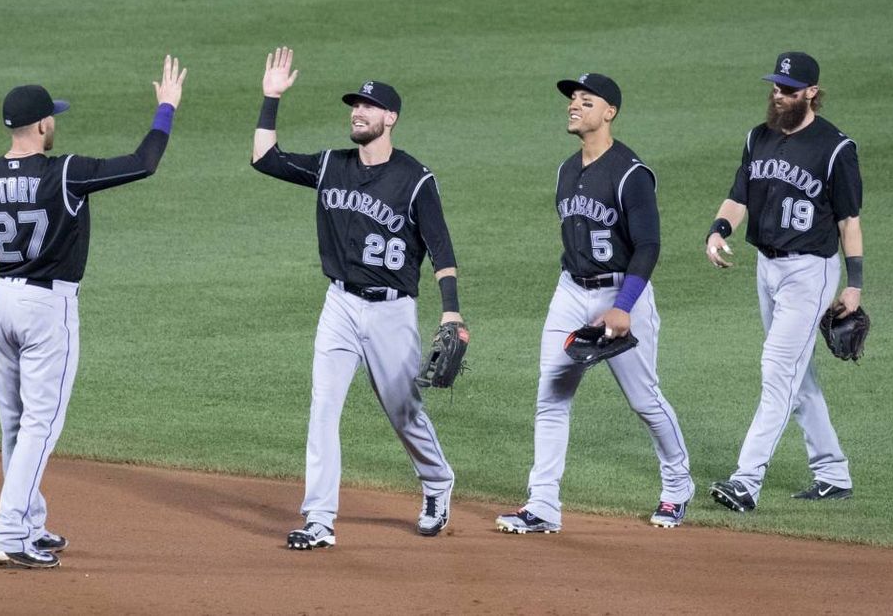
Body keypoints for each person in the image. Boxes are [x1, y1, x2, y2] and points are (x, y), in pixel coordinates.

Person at [0, 56, 187, 568]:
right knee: (41, 425)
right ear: (41, 125)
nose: (55, 122)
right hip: (45, 308)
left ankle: (29, 521)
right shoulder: (67, 173)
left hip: (0, 304)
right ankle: (10, 534)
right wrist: (165, 108)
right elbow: (143, 162)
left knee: (14, 422)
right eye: (52, 116)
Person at [250, 47, 462, 550]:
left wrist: (451, 308)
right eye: (354, 105)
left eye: (368, 106)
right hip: (340, 305)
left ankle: (437, 481)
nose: (358, 112)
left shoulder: (415, 178)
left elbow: (442, 250)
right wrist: (270, 98)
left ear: (391, 118)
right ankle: (319, 519)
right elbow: (264, 158)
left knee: (402, 409)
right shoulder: (331, 165)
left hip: (392, 309)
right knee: (323, 407)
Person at [496, 73, 695, 533]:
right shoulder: (567, 169)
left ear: (610, 113)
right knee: (552, 395)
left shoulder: (631, 173)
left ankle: (678, 483)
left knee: (644, 399)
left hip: (623, 294)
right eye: (572, 100)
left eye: (586, 101)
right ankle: (543, 506)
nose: (574, 106)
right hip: (570, 290)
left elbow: (648, 245)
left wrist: (623, 305)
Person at [705, 51, 863, 512]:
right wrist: (718, 229)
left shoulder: (835, 148)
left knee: (777, 372)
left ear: (811, 93)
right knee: (799, 375)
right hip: (767, 268)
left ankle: (746, 481)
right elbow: (739, 197)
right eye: (775, 87)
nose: (779, 95)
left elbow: (849, 221)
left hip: (810, 272)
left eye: (789, 90)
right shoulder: (759, 138)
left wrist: (853, 285)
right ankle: (833, 473)